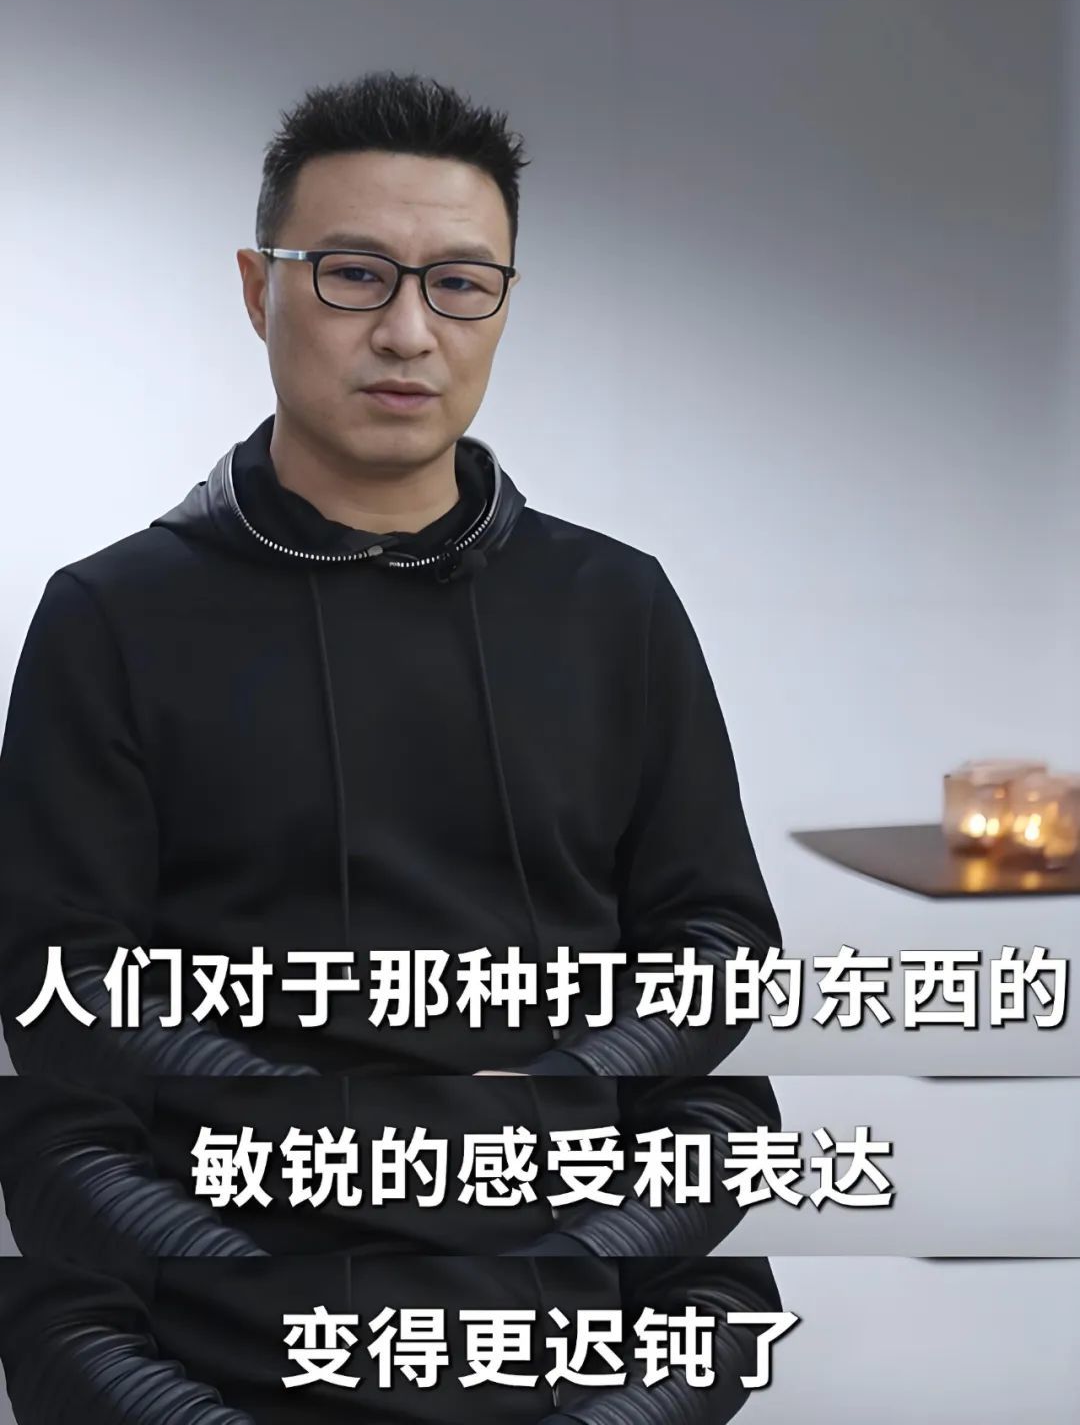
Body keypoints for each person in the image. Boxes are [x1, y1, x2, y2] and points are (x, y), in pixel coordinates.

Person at [0, 71, 784, 1424]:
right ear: (259, 289)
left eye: (460, 284)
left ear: (503, 306)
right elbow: (61, 980)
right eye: (355, 274)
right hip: (237, 1283)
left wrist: (541, 1103)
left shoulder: (616, 605)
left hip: (552, 1263)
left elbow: (715, 940)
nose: (409, 332)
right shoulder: (110, 615)